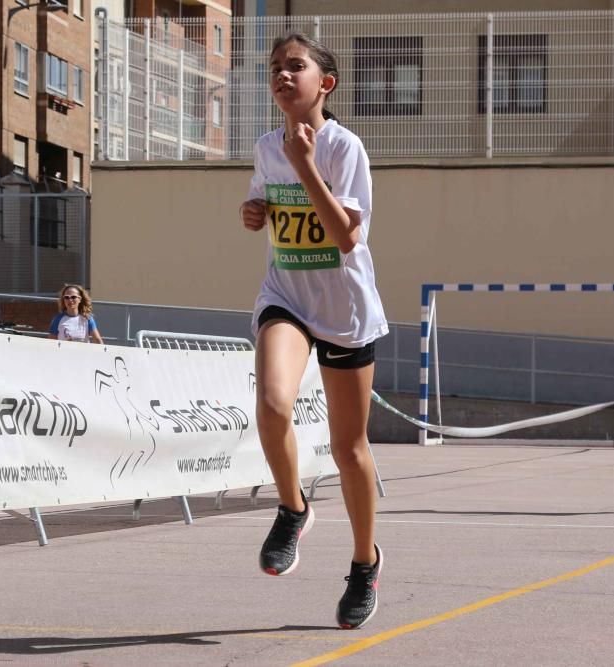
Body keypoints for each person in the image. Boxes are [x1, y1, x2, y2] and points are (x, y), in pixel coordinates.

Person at [239, 31, 388, 630]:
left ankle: (363, 562)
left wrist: (305, 167)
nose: (281, 74)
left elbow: (346, 236)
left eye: (294, 66)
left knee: (350, 450)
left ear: (323, 83)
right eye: (274, 67)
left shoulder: (344, 148)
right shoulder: (265, 147)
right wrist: (254, 212)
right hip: (288, 297)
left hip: (345, 310)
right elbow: (264, 207)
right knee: (273, 404)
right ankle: (292, 507)